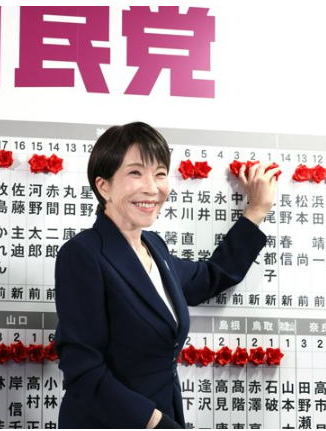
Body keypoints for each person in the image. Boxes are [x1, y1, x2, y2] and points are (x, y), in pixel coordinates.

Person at [54, 122, 279, 428]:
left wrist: (257, 210)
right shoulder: (83, 254)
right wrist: (156, 423)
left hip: (164, 416)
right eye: (136, 173)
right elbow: (83, 370)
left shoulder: (154, 247)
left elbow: (210, 277)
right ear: (104, 186)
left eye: (160, 173)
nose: (152, 187)